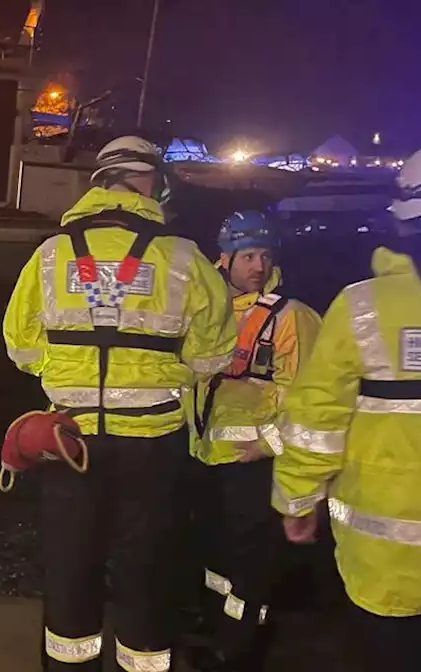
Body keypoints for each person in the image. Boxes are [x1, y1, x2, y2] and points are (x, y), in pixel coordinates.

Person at [2, 135, 236, 672]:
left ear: (99, 182)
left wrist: (66, 375)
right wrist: (166, 373)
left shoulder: (50, 254)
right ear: (151, 182)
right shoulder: (184, 258)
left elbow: (20, 345)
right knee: (146, 569)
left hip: (69, 440)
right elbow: (214, 352)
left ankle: (68, 664)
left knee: (69, 564)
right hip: (153, 445)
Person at [272, 141, 421, 672]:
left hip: (387, 558)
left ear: (404, 218)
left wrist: (297, 503)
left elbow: (317, 420)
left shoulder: (362, 307)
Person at [188, 211, 322, 672]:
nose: (258, 265)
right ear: (224, 258)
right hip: (207, 461)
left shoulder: (292, 318)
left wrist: (265, 445)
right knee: (215, 558)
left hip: (254, 464)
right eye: (248, 255)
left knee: (249, 569)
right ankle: (215, 631)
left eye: (265, 255)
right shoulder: (207, 311)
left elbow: (308, 401)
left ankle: (238, 650)